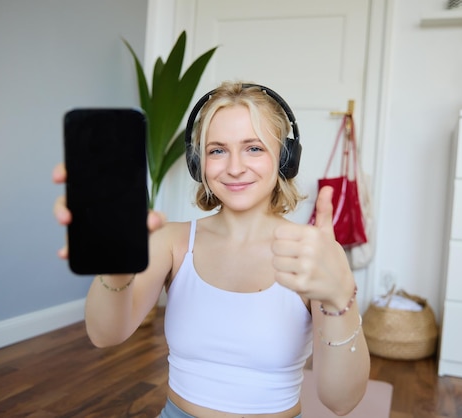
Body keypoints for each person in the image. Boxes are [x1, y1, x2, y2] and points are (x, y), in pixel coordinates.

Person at [53, 81, 370, 418]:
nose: (234, 167)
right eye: (217, 150)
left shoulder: (310, 254)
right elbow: (105, 335)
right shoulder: (171, 242)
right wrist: (114, 261)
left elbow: (342, 401)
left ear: (285, 157)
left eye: (254, 148)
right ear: (197, 162)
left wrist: (340, 298)